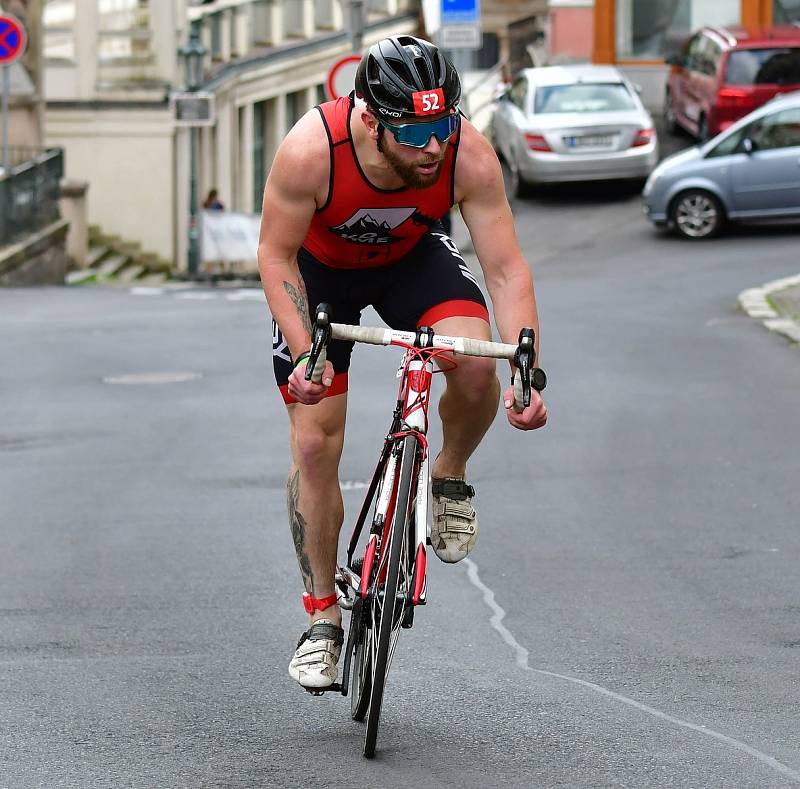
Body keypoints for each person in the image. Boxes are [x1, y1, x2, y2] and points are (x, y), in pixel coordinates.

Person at [257, 35, 547, 691]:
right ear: (369, 118)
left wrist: (527, 368)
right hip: (319, 275)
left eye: (441, 124)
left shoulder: (464, 152)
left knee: (474, 365)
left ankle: (447, 473)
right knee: (313, 441)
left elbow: (505, 268)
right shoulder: (312, 151)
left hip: (410, 262)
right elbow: (275, 257)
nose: (432, 146)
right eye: (413, 131)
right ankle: (323, 620)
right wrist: (306, 348)